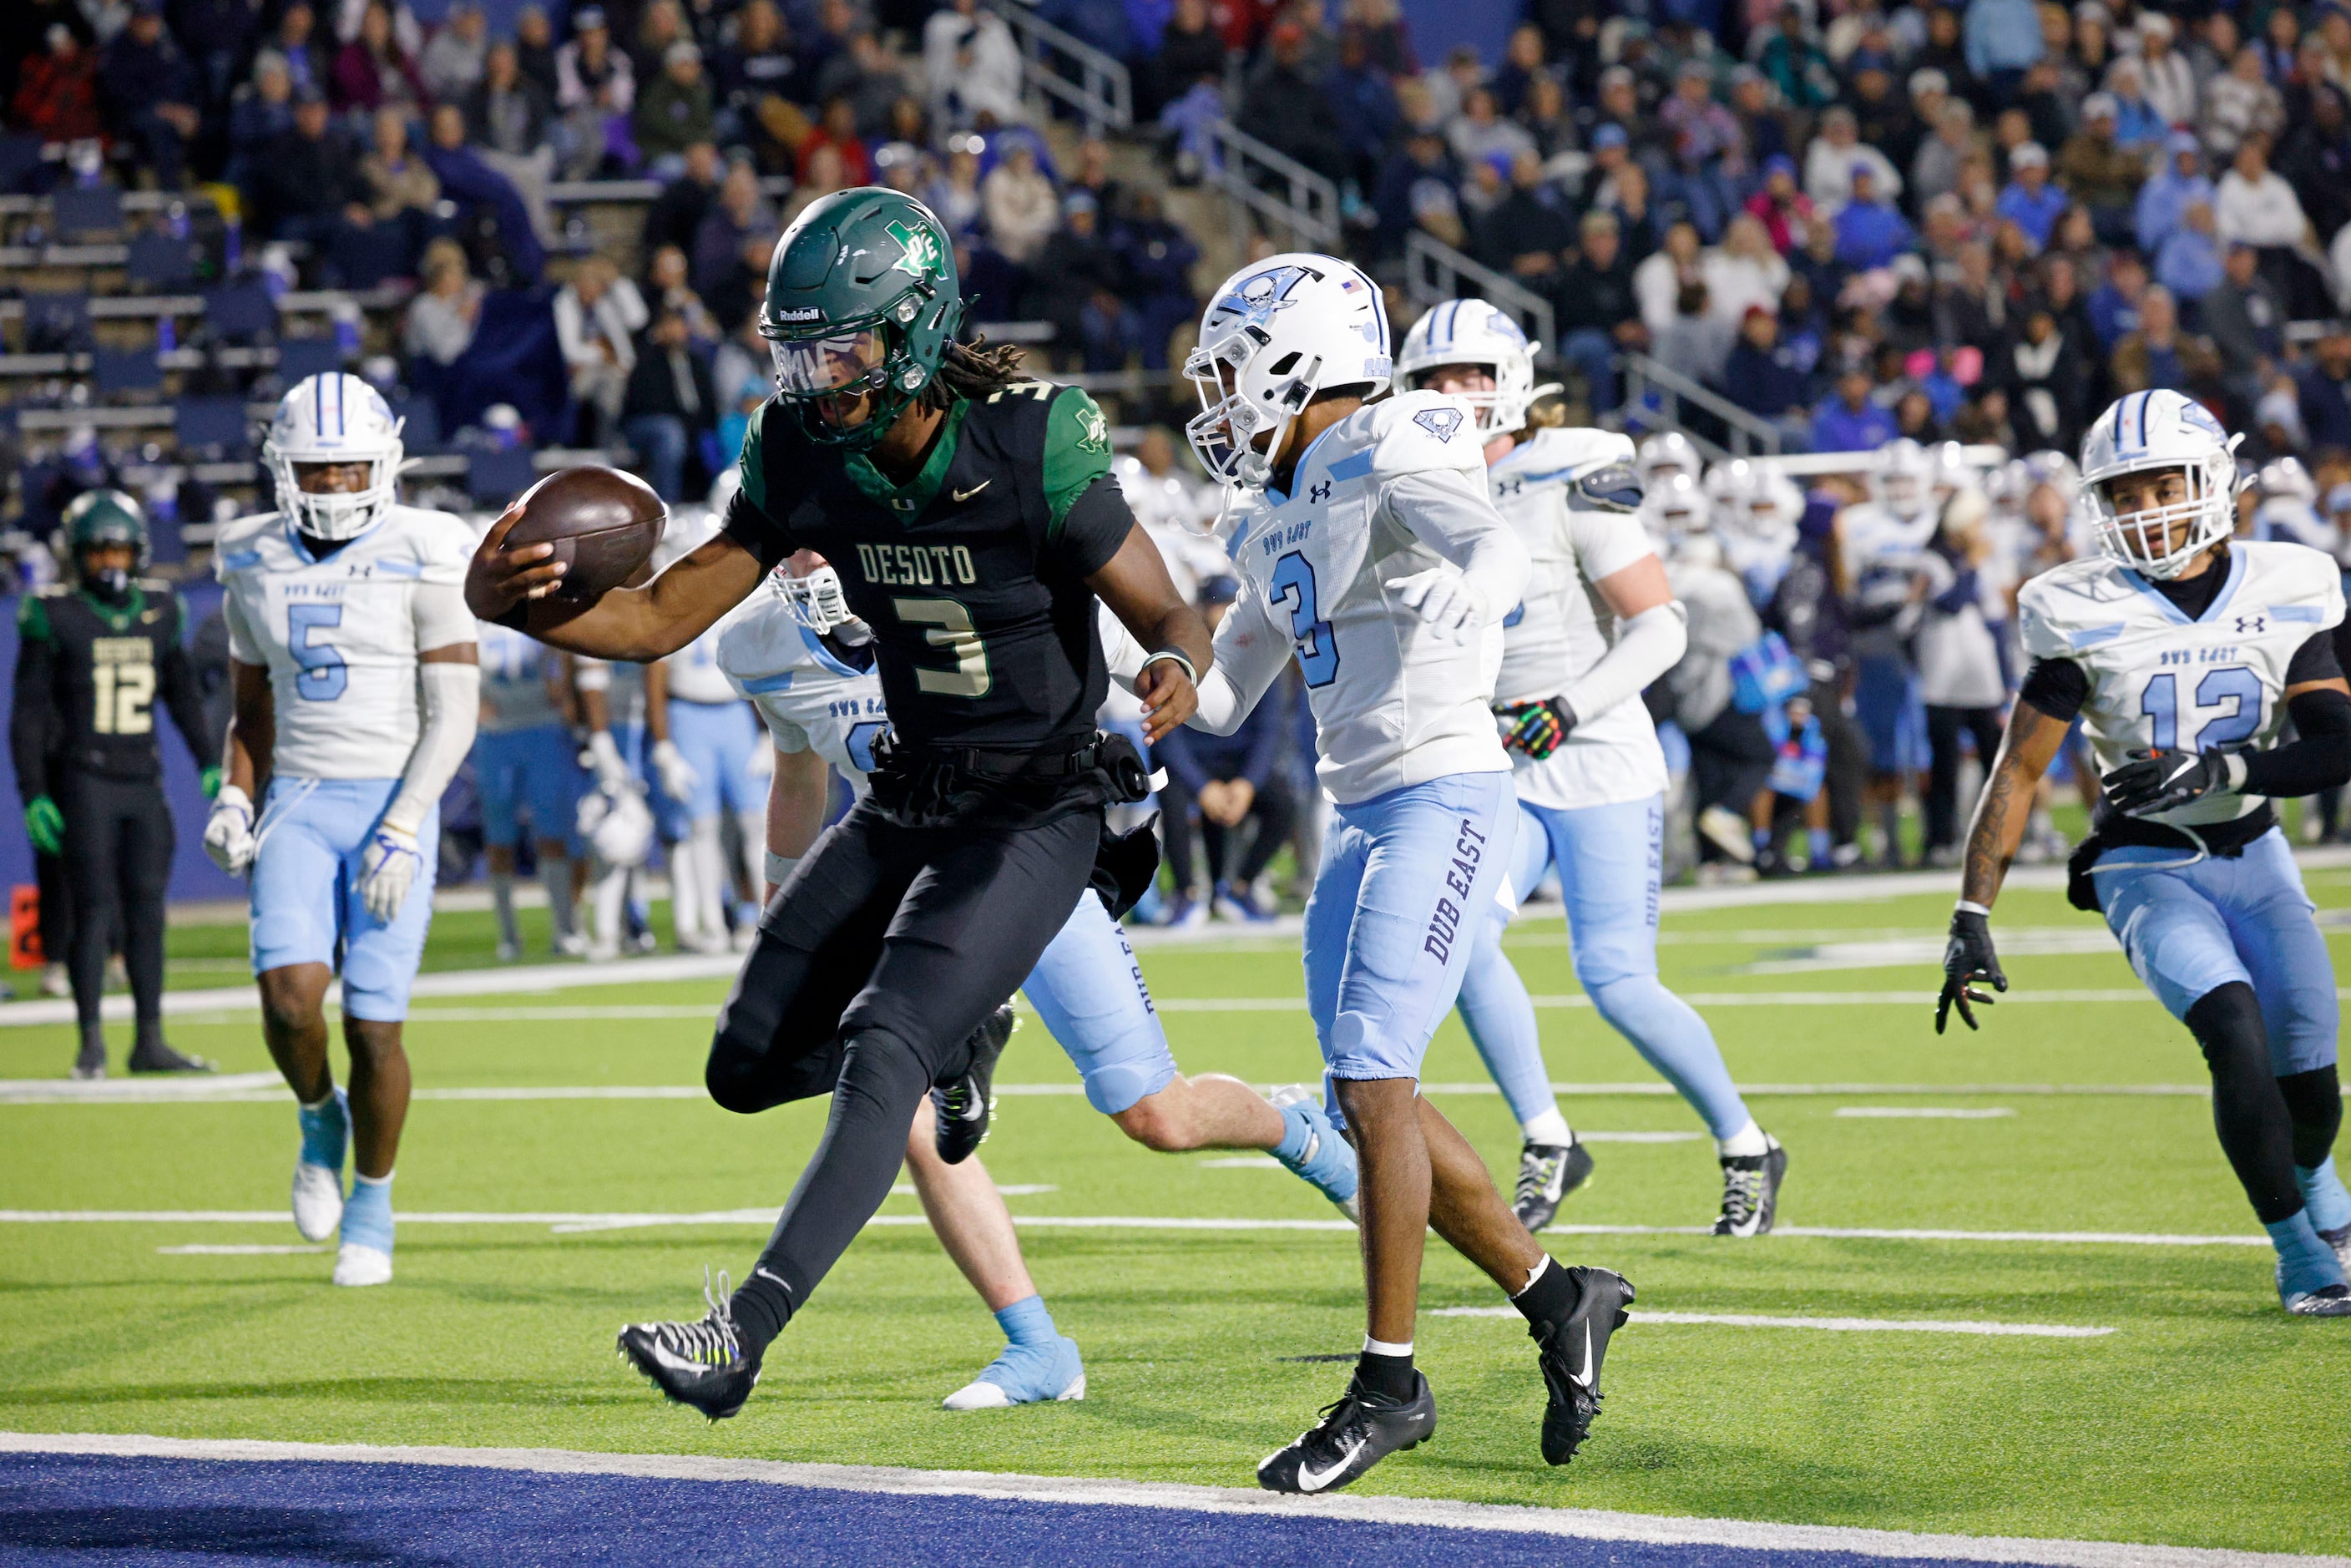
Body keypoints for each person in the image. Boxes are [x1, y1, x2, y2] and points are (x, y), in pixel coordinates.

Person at [465, 189, 1213, 1415]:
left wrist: (1176, 665)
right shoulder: (803, 446)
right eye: (800, 349)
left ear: (916, 332)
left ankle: (738, 1336)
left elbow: (1167, 612)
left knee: (883, 1041)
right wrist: (508, 601)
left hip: (1038, 799)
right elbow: (657, 619)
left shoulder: (1032, 437)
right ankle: (968, 1035)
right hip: (913, 792)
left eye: (845, 346)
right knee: (746, 1065)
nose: (821, 374)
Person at [1176, 256, 1632, 1493]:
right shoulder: (1273, 511)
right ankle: (1560, 1297)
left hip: (1446, 787)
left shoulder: (1390, 437)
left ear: (1297, 360)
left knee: (1376, 1085)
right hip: (1361, 814)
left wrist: (1476, 613)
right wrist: (1121, 680)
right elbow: (1221, 700)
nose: (1216, 404)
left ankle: (1390, 1384)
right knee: (1368, 1090)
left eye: (1230, 375)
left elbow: (1486, 546)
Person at [718, 554, 1359, 1404]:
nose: (810, 553)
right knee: (902, 1107)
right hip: (902, 879)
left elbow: (1168, 662)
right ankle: (1036, 1345)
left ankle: (1299, 1132)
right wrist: (784, 912)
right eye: (794, 536)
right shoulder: (760, 643)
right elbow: (797, 774)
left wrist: (1171, 671)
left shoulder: (987, 581)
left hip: (1027, 863)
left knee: (1156, 1115)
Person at [1939, 387, 2351, 1318]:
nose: (2143, 509)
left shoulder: (2288, 582)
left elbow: (2336, 741)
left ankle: (2320, 1190)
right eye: (2121, 494)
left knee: (2311, 1080)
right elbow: (2018, 771)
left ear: (2211, 479)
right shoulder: (2072, 607)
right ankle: (2301, 1257)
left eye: (2160, 483)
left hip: (2253, 848)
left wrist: (2223, 766)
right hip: (2141, 862)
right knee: (2234, 1037)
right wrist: (1970, 914)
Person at [1397, 300, 1788, 1237]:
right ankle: (1548, 1137)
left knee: (1615, 978)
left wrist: (1568, 707)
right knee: (1462, 945)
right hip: (1493, 755)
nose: (1457, 393)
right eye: (1436, 378)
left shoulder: (1563, 476)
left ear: (1516, 383)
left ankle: (1743, 1143)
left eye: (1475, 374)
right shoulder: (1412, 493)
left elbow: (1659, 626)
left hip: (1595, 750)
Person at [202, 373, 479, 1289]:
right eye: (314, 471)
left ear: (383, 462)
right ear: (285, 469)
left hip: (394, 795)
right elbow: (251, 714)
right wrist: (236, 796)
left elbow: (454, 714)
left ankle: (373, 1202)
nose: (329, 486)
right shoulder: (249, 556)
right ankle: (318, 1117)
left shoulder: (426, 547)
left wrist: (405, 825)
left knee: (373, 1026)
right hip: (302, 800)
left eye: (345, 467)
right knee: (289, 1002)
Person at [10, 492, 215, 1080]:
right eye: (98, 551)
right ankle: (91, 1044)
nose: (110, 562)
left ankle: (149, 1039)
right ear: (77, 555)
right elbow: (26, 716)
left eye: (120, 549)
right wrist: (34, 793)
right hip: (85, 778)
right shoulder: (54, 612)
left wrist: (207, 760)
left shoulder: (159, 607)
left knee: (147, 912)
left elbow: (179, 693)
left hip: (142, 778)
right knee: (94, 910)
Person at [473, 617, 583, 962]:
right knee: (500, 840)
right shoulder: (475, 617)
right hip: (497, 734)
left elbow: (564, 655)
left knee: (552, 834)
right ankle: (507, 935)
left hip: (542, 728)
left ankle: (565, 930)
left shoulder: (538, 612)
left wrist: (563, 688)